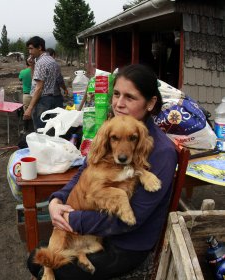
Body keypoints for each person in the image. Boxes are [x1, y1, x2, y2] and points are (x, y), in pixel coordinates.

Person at [27, 64, 178, 279]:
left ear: (150, 103)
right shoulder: (111, 129)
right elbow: (85, 172)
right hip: (96, 233)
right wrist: (57, 201)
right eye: (116, 94)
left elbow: (131, 220)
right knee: (36, 258)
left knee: (54, 270)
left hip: (126, 243)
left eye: (130, 97)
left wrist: (72, 219)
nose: (119, 103)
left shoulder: (162, 152)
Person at [24, 36, 64, 131]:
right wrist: (32, 65)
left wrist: (29, 108)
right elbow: (59, 80)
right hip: (57, 99)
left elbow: (39, 87)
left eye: (31, 48)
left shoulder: (41, 63)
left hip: (44, 101)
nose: (29, 52)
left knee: (42, 130)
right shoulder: (53, 61)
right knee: (56, 129)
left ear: (40, 48)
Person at [18, 59, 33, 133]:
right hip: (37, 94)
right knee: (36, 112)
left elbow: (20, 79)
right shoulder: (37, 71)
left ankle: (25, 130)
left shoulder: (23, 72)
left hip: (27, 95)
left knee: (26, 112)